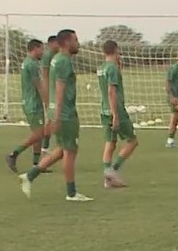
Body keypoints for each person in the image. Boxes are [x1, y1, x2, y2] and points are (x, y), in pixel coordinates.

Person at [19, 29, 93, 201]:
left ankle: (29, 176)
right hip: (65, 113)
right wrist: (57, 116)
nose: (78, 42)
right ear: (67, 42)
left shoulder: (57, 60)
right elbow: (59, 89)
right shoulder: (63, 62)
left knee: (60, 151)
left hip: (58, 110)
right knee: (70, 151)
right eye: (75, 39)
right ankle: (71, 193)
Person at [97, 40, 139, 188]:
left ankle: (108, 178)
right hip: (117, 110)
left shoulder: (101, 68)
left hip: (103, 110)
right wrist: (116, 115)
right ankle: (113, 171)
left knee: (110, 142)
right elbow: (111, 91)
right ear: (116, 50)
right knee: (132, 141)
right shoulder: (112, 68)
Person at [6, 39, 46, 172]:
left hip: (31, 102)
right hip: (33, 103)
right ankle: (14, 153)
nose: (43, 52)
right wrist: (48, 103)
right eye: (41, 49)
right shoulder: (32, 64)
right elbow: (38, 85)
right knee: (39, 133)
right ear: (34, 49)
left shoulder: (29, 62)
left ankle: (36, 165)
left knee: (39, 134)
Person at [39, 35, 58, 154]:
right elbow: (44, 78)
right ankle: (45, 147)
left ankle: (45, 146)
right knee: (51, 120)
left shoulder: (56, 56)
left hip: (55, 91)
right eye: (56, 43)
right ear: (51, 44)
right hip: (50, 93)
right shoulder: (47, 57)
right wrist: (46, 98)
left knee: (52, 120)